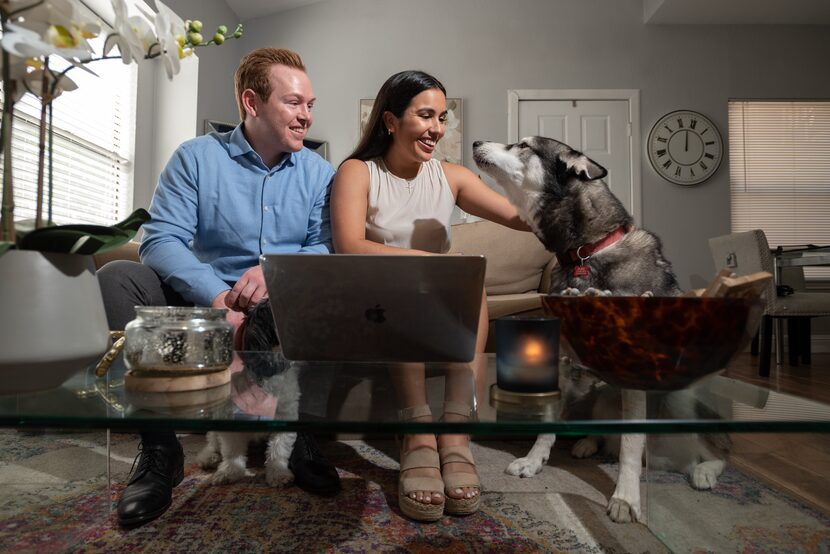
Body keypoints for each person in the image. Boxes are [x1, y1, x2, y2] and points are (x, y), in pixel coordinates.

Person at [98, 47, 340, 528]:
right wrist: (216, 296)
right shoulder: (195, 157)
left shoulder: (321, 173)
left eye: (310, 104)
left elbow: (326, 247)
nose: (306, 116)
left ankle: (301, 438)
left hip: (281, 301)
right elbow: (161, 238)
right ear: (252, 103)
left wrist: (276, 270)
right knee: (118, 277)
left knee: (317, 298)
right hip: (203, 301)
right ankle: (160, 451)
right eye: (294, 103)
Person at [330, 70, 530, 521]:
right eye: (425, 115)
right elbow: (349, 245)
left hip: (441, 296)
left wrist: (576, 212)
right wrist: (422, 260)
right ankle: (417, 431)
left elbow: (518, 217)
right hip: (375, 302)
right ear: (390, 121)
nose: (437, 128)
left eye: (442, 117)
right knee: (415, 274)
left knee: (469, 273)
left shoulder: (451, 177)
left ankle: (455, 432)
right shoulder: (357, 172)